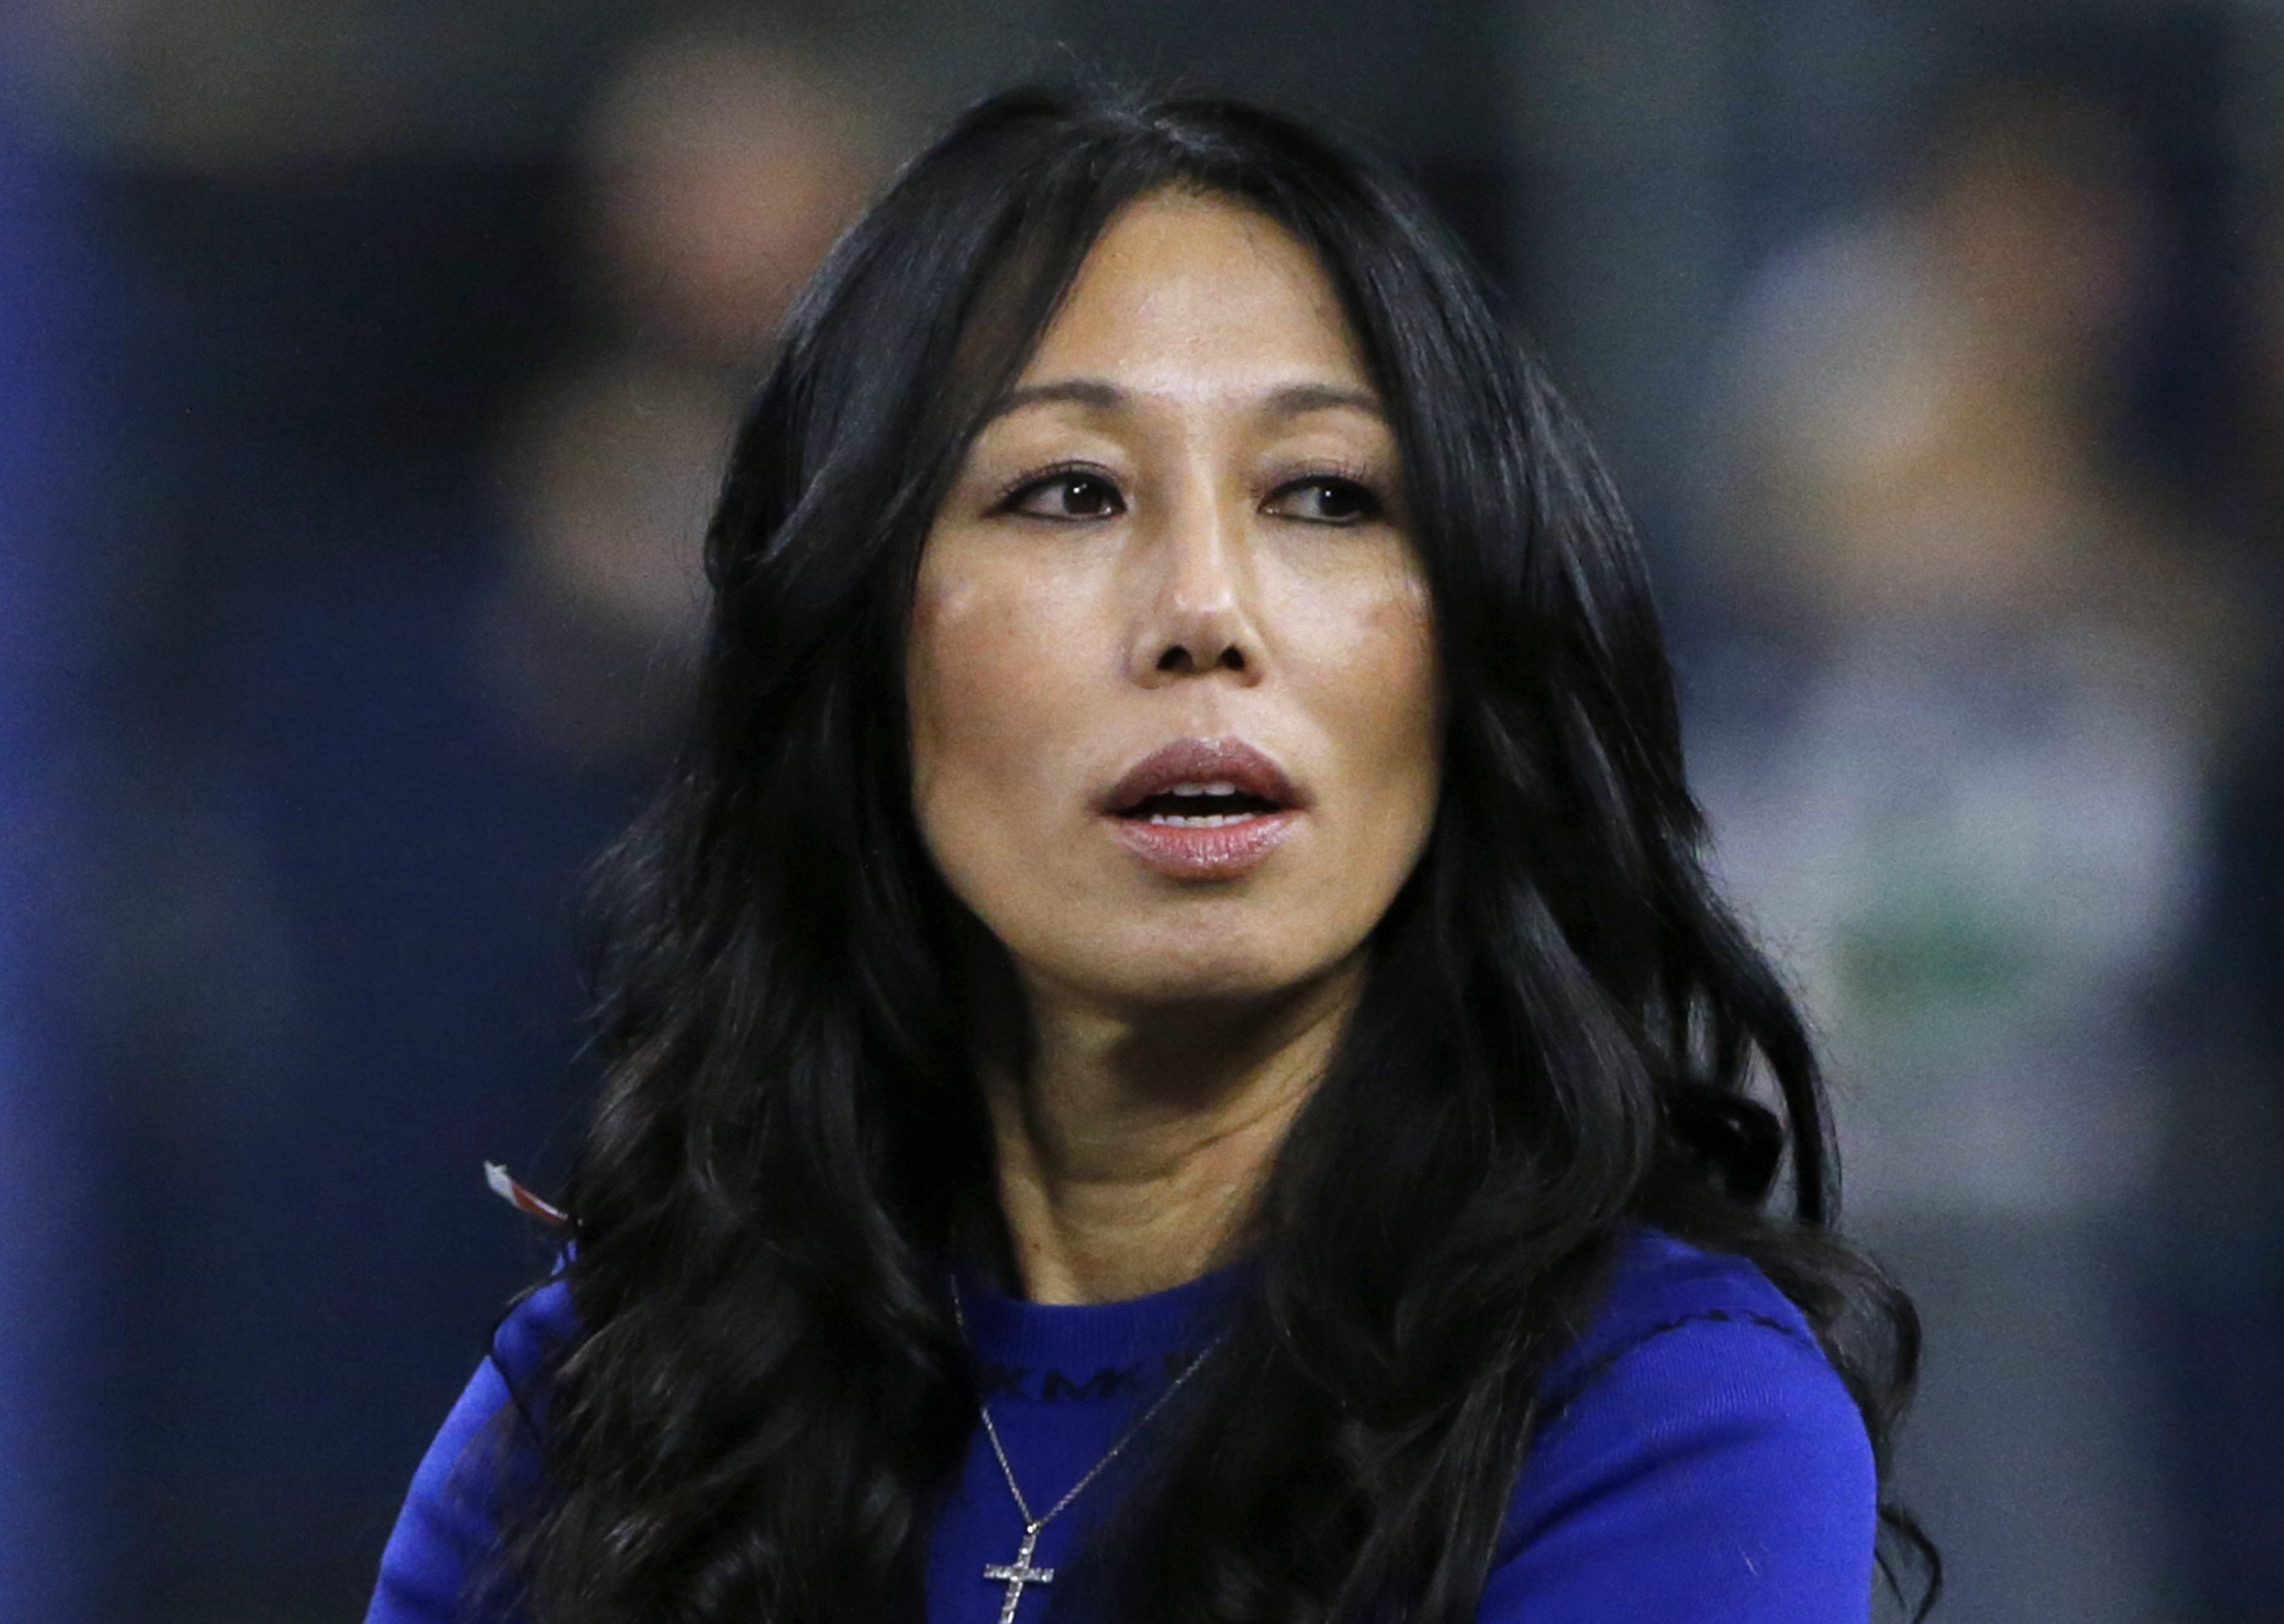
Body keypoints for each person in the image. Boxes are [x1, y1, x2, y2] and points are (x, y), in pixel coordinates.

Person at [366, 85, 1934, 1624]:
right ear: (859, 640)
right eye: (1070, 493)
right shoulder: (608, 1413)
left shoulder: (1661, 1413)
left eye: (1326, 496)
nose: (1205, 610)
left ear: (1471, 648)